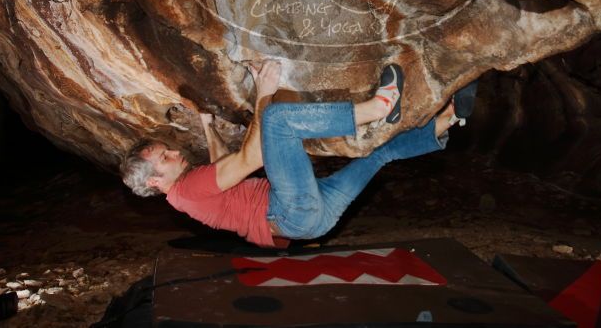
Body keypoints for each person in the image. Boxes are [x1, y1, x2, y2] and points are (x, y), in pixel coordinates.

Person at [121, 61, 478, 247]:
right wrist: (263, 92)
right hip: (290, 211)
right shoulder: (185, 191)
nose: (174, 152)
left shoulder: (187, 195)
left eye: (167, 149)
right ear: (153, 181)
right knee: (276, 120)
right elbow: (252, 158)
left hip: (313, 221)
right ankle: (379, 107)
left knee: (377, 156)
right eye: (164, 158)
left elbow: (223, 169)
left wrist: (207, 125)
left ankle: (449, 118)